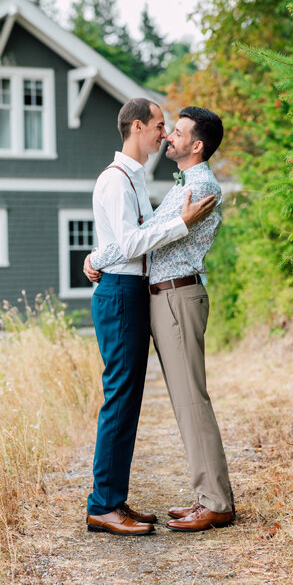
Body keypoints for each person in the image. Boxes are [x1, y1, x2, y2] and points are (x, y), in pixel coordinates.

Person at [85, 106, 234, 533]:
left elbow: (144, 237)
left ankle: (214, 501)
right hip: (157, 294)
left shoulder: (201, 184)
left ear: (197, 145)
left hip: (176, 295)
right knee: (163, 398)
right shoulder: (168, 182)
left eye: (177, 131)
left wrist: (97, 256)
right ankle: (203, 497)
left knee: (190, 399)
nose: (168, 136)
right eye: (163, 128)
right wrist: (98, 256)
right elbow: (144, 234)